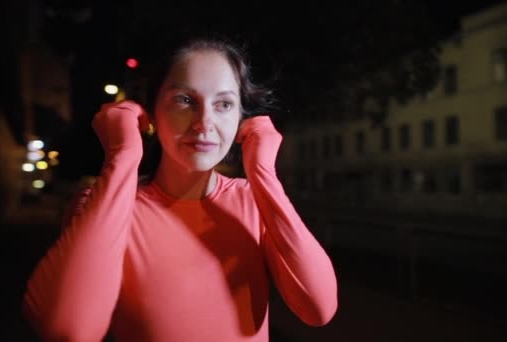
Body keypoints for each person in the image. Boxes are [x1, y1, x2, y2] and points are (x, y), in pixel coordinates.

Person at [22, 36, 338, 341]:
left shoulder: (254, 201)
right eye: (185, 100)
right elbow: (67, 329)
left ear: (241, 118)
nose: (204, 122)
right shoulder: (103, 204)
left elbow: (319, 308)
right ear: (151, 113)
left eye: (224, 104)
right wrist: (122, 159)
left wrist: (264, 175)